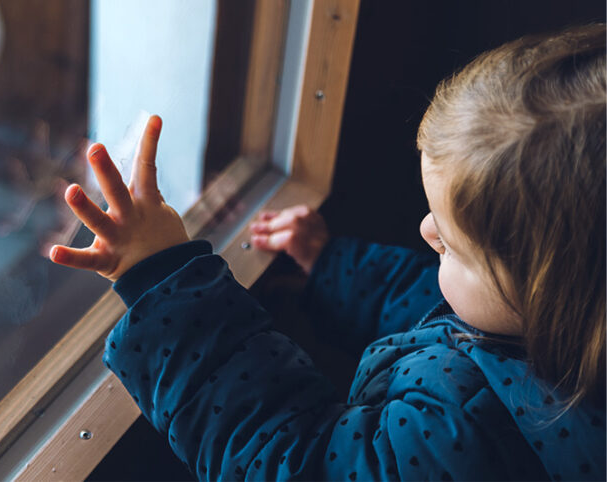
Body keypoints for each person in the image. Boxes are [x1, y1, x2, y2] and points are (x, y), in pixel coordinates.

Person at [49, 24, 605, 481]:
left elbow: (291, 458)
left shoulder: (470, 440)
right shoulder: (549, 340)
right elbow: (449, 315)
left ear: (556, 301)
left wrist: (163, 283)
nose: (426, 230)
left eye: (455, 245)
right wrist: (334, 265)